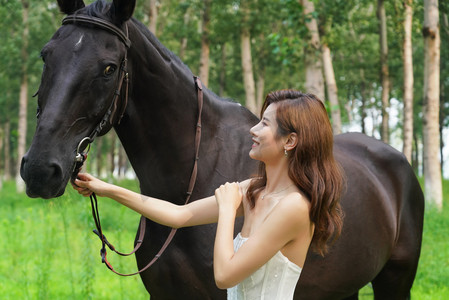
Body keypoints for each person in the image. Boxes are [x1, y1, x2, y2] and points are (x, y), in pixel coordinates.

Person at [73, 89, 344, 300]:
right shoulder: (253, 190)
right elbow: (178, 215)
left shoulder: (294, 206)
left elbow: (225, 276)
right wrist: (105, 189)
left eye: (264, 124)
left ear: (290, 141)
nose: (253, 129)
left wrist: (227, 211)